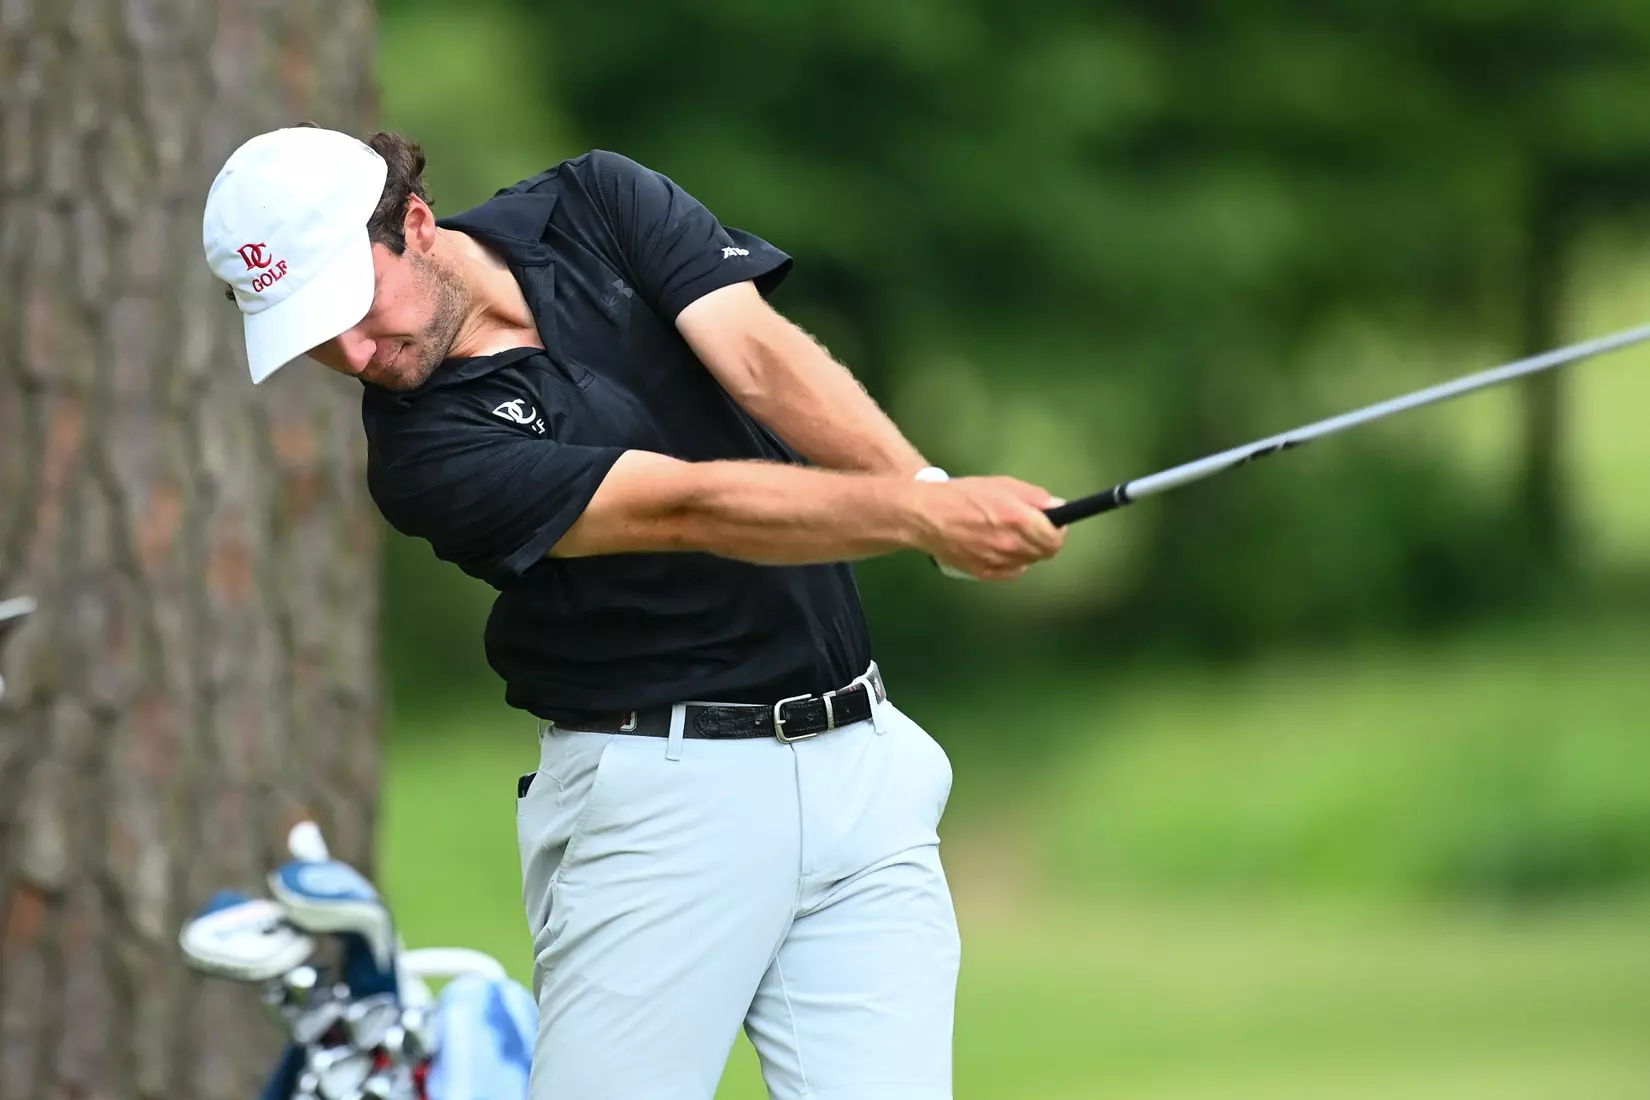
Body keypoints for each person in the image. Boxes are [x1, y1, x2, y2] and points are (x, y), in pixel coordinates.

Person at [202, 124, 1066, 1100]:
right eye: (314, 338)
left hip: (863, 768)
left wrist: (927, 489)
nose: (354, 351)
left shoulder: (595, 204)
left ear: (416, 224)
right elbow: (687, 507)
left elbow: (758, 359)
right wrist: (919, 518)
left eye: (354, 305)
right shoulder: (424, 458)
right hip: (662, 807)